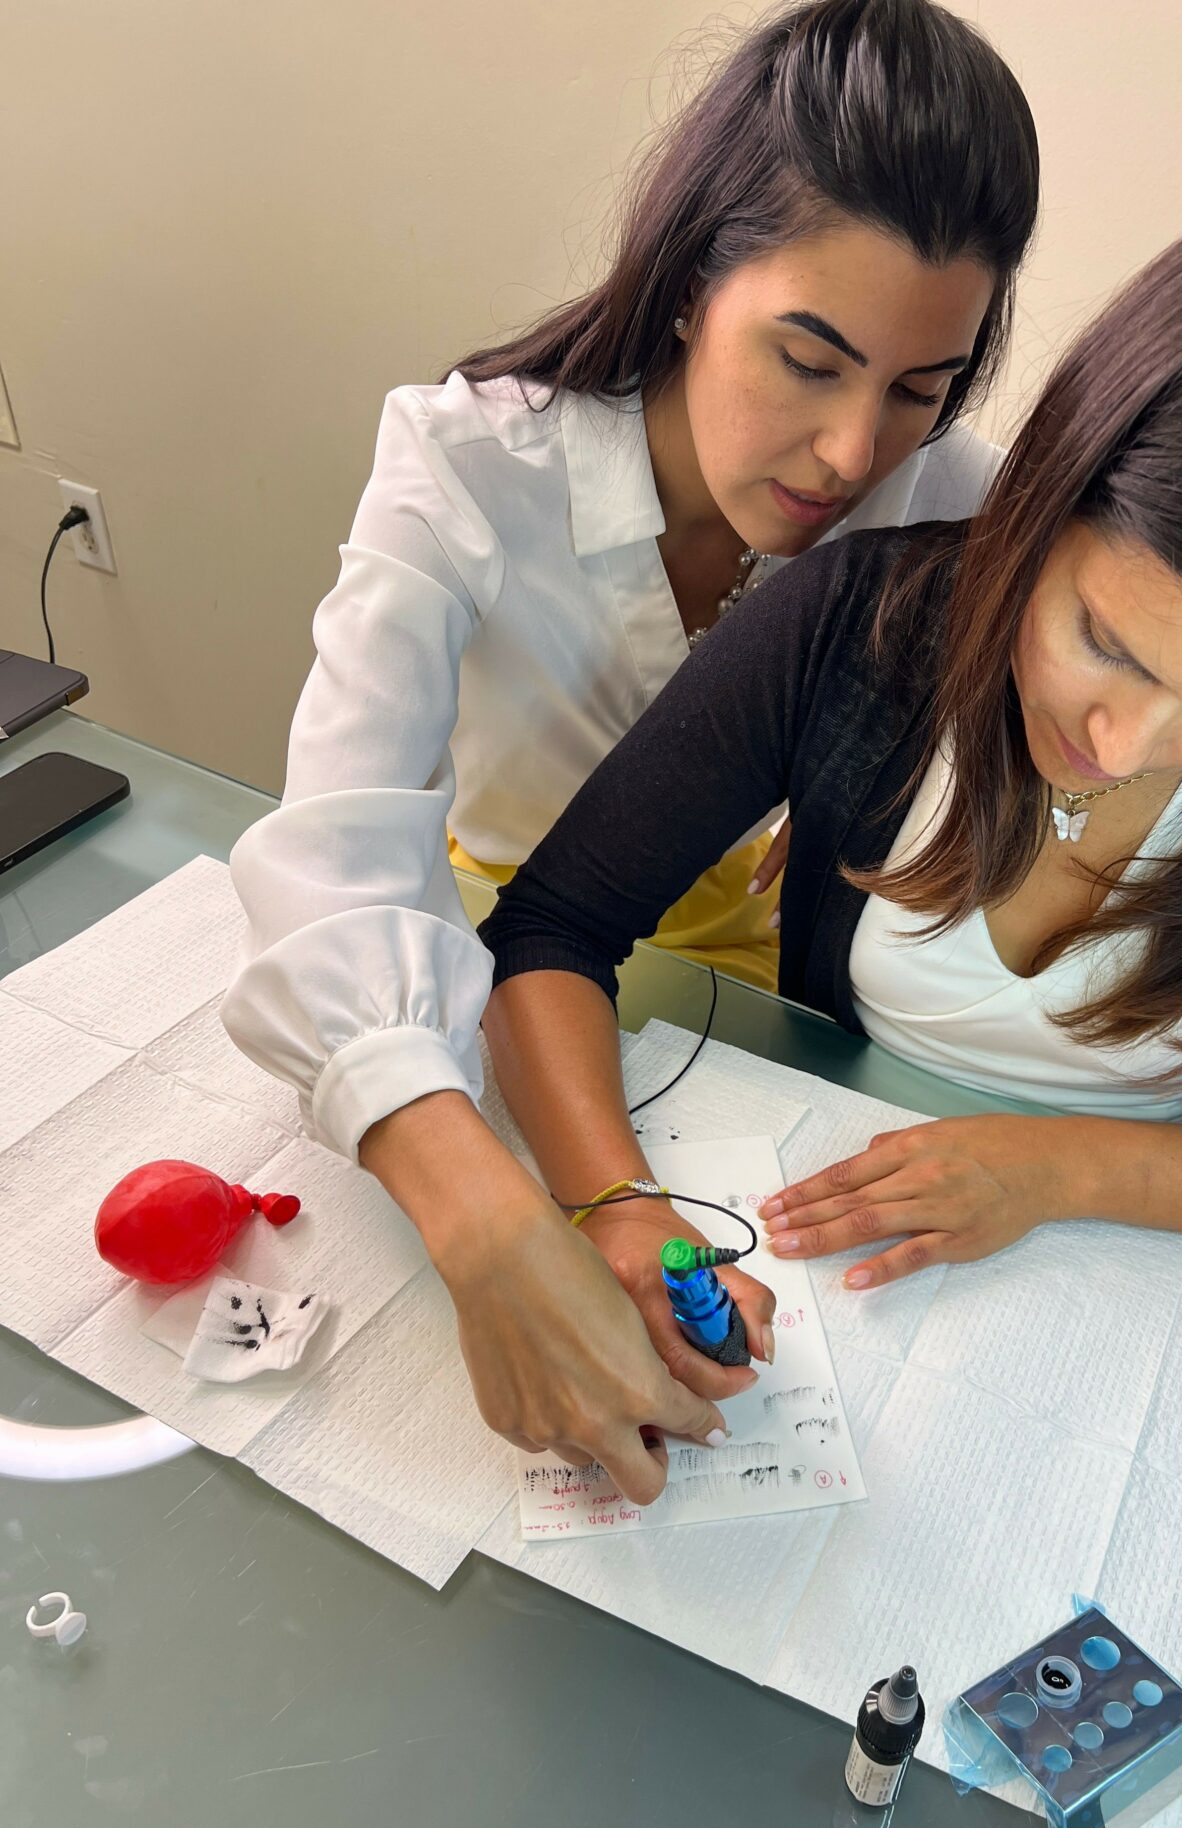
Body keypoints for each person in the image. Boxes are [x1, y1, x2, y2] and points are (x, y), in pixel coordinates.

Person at [483, 169, 1182, 1394]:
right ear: (1052, 490)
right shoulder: (856, 627)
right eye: (1105, 640)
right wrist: (617, 1205)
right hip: (833, 1260)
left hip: (1153, 1311)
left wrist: (1062, 1168)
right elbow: (552, 926)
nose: (1120, 741)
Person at [220, 0, 1040, 1504]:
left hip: (768, 1000)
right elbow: (333, 850)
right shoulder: (468, 463)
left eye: (919, 389)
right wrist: (483, 1219)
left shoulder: (949, 500)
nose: (853, 453)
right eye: (808, 360)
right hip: (488, 967)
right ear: (688, 280)